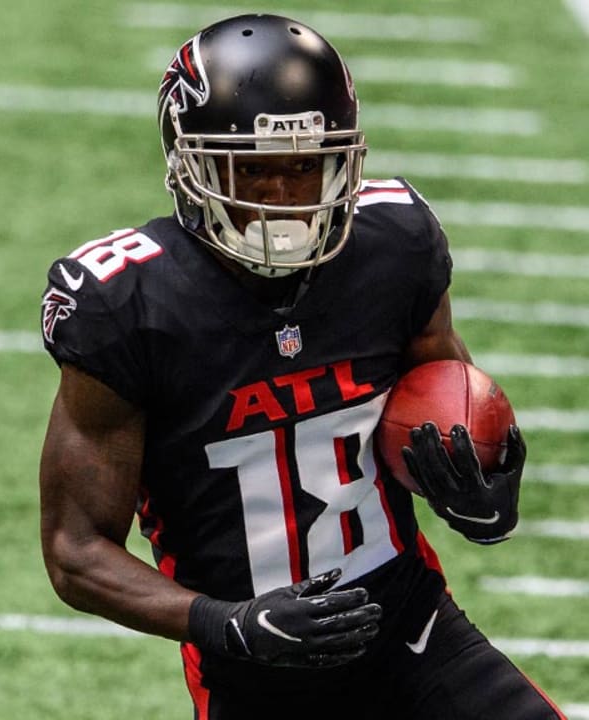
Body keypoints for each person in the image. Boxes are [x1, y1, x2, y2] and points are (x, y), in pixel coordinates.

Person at [38, 14, 564, 719]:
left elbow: (451, 406)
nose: (281, 197)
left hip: (410, 624)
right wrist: (223, 622)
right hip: (257, 671)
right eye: (251, 168)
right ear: (191, 165)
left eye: (304, 166)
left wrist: (487, 489)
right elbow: (75, 552)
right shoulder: (128, 302)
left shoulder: (393, 247)